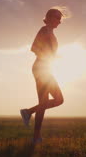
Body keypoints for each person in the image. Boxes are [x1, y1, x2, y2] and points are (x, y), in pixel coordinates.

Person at [20, 8, 64, 145]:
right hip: (41, 68)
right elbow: (34, 48)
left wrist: (54, 57)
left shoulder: (50, 32)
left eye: (60, 19)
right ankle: (35, 134)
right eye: (57, 18)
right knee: (55, 100)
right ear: (49, 17)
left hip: (45, 68)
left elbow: (47, 51)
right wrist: (47, 56)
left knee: (52, 101)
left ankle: (29, 114)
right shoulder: (44, 30)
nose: (60, 21)